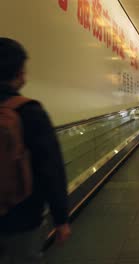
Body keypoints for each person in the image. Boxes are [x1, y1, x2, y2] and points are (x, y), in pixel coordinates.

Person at [0, 38, 71, 263]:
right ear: (18, 71)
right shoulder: (28, 111)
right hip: (20, 215)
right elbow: (50, 168)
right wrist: (61, 219)